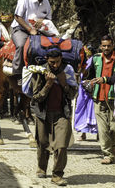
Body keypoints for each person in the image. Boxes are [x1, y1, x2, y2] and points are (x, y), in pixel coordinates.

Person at [31, 47, 77, 186]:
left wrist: (63, 83)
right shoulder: (39, 72)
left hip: (62, 113)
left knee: (61, 146)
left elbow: (73, 95)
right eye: (52, 62)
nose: (55, 65)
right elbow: (36, 97)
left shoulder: (67, 71)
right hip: (43, 113)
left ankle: (57, 175)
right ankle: (42, 167)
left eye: (57, 62)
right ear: (47, 60)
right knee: (43, 144)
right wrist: (48, 85)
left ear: (61, 59)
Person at [84, 35, 115, 164]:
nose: (106, 48)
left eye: (108, 46)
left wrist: (104, 79)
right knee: (103, 129)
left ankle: (112, 149)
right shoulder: (96, 58)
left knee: (114, 128)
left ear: (113, 45)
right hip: (98, 98)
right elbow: (91, 75)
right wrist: (88, 80)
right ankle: (107, 154)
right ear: (100, 46)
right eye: (104, 46)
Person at [11, 0, 52, 84]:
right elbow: (17, 17)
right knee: (21, 45)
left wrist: (43, 21)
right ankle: (18, 73)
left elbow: (49, 18)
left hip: (39, 30)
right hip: (21, 28)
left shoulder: (46, 2)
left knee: (52, 44)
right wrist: (30, 29)